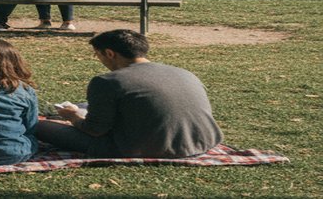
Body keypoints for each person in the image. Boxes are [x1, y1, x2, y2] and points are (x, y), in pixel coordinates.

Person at [36, 29, 223, 158]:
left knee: (40, 126)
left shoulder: (107, 81)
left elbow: (95, 130)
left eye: (98, 55)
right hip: (200, 143)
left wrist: (73, 117)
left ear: (109, 53)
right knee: (86, 106)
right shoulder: (184, 72)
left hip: (137, 147)